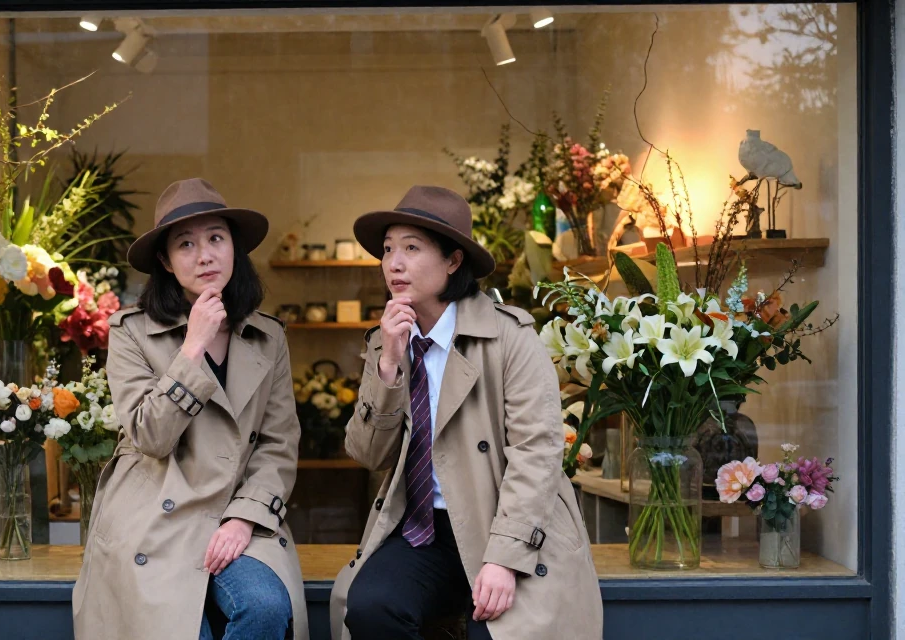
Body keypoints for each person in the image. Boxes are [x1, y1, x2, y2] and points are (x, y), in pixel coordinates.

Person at [329, 186, 603, 640]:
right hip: (424, 530)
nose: (393, 263)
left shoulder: (509, 338)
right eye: (388, 250)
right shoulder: (386, 341)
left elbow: (538, 453)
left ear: (453, 261)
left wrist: (503, 557)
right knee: (369, 608)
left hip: (505, 522)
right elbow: (367, 453)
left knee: (500, 630)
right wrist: (388, 367)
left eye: (412, 248)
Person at [73, 178, 308, 640]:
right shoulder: (130, 332)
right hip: (155, 517)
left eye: (216, 239)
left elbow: (279, 444)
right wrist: (193, 347)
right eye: (186, 244)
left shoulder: (269, 336)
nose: (204, 255)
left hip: (234, 512)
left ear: (234, 248)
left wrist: (245, 517)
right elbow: (149, 436)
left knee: (264, 608)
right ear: (165, 260)